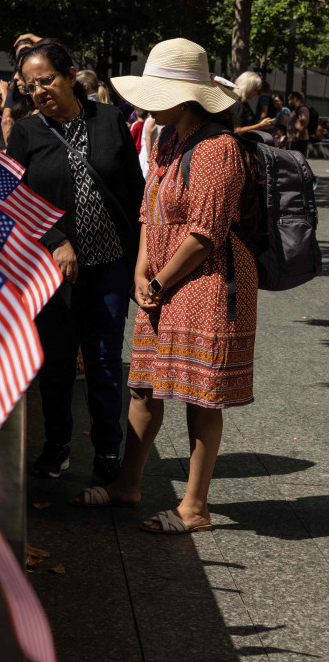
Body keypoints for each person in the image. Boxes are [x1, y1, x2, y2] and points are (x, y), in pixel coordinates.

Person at [75, 38, 257, 536]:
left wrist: (155, 277)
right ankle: (127, 484)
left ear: (187, 95)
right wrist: (141, 271)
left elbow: (206, 233)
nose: (147, 99)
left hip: (207, 283)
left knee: (202, 396)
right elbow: (147, 213)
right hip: (163, 280)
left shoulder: (219, 148)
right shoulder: (166, 138)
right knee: (144, 386)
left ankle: (194, 507)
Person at [5, 41, 144, 483]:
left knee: (104, 362)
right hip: (53, 273)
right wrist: (56, 239)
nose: (40, 91)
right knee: (58, 362)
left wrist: (143, 258)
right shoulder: (27, 133)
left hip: (109, 266)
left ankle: (107, 452)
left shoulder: (110, 121)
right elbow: (12, 197)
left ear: (69, 76)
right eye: (31, 86)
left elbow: (134, 192)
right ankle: (57, 447)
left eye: (47, 80)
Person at [286, 91, 310, 156]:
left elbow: (304, 122)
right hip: (295, 140)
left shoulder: (302, 109)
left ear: (295, 98)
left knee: (297, 161)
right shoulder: (295, 110)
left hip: (299, 140)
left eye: (290, 99)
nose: (288, 101)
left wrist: (297, 135)